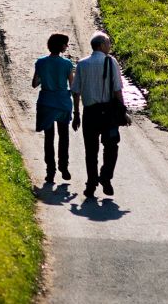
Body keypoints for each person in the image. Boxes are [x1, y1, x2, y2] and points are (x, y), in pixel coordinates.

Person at [73, 31, 127, 198]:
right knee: (111, 147)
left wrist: (76, 113)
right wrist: (123, 111)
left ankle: (91, 184)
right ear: (102, 45)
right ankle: (105, 177)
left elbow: (76, 91)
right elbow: (117, 89)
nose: (110, 46)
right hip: (108, 113)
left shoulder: (82, 64)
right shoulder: (111, 63)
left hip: (90, 113)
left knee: (91, 150)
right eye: (108, 43)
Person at [31, 33, 76, 186]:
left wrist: (46, 76)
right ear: (61, 46)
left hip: (46, 103)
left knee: (49, 138)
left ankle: (50, 171)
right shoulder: (67, 64)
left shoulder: (41, 62)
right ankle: (64, 166)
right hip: (63, 103)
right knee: (64, 137)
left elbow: (35, 83)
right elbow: (72, 85)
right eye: (66, 44)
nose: (67, 46)